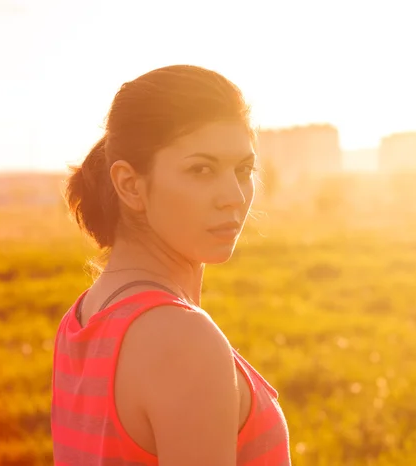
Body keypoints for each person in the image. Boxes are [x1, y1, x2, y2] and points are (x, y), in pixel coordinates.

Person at [50, 65, 291, 465]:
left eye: (243, 170)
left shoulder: (83, 316)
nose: (233, 196)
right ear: (130, 184)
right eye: (201, 169)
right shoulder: (182, 339)